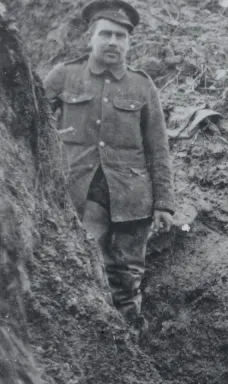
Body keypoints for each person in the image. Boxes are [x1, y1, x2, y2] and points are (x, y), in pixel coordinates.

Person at [42, 0, 174, 335]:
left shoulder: (142, 87)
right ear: (91, 37)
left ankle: (129, 343)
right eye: (106, 34)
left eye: (120, 35)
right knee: (84, 267)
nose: (113, 41)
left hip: (132, 199)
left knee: (127, 276)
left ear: (129, 42)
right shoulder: (63, 76)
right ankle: (90, 339)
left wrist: (163, 203)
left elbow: (158, 148)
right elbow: (31, 119)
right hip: (81, 193)